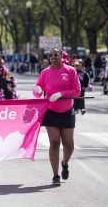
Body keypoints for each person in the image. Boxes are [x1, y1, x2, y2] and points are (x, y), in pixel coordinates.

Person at [33, 48, 81, 185]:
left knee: (69, 145)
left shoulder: (70, 71)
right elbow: (38, 91)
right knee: (54, 142)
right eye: (51, 55)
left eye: (56, 55)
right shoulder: (45, 72)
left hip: (67, 111)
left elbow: (77, 91)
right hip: (51, 111)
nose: (53, 57)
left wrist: (61, 94)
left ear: (61, 56)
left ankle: (65, 163)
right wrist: (37, 90)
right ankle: (55, 175)